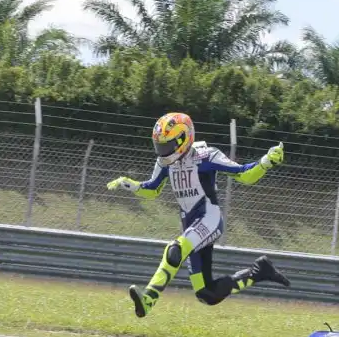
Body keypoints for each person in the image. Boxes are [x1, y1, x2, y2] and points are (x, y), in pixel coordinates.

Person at [106, 112, 290, 318]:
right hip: (190, 224)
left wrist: (266, 162)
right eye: (159, 146)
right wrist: (130, 184)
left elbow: (244, 174)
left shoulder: (206, 156)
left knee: (176, 249)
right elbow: (153, 189)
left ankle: (149, 299)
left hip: (209, 218)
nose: (162, 152)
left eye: (167, 146)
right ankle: (259, 272)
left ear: (183, 139)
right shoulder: (165, 163)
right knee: (206, 294)